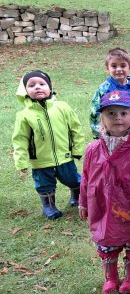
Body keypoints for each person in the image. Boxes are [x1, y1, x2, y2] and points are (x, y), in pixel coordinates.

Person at [79, 91, 130, 294]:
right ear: (102, 118)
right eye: (111, 113)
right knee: (106, 241)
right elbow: (86, 177)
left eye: (123, 113)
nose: (118, 118)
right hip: (101, 205)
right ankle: (111, 277)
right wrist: (83, 202)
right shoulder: (93, 149)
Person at [12, 70, 85, 220]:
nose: (37, 87)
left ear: (50, 87)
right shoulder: (24, 115)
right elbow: (20, 139)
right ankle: (49, 206)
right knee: (44, 184)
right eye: (31, 85)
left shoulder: (62, 107)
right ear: (25, 91)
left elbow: (76, 128)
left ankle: (76, 196)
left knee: (72, 178)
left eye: (42, 83)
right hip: (40, 160)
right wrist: (21, 161)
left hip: (64, 156)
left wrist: (78, 149)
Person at [89, 47, 130, 139]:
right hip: (111, 134)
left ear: (129, 67)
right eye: (114, 66)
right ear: (107, 68)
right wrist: (99, 135)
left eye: (123, 66)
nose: (119, 69)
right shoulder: (104, 89)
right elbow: (95, 113)